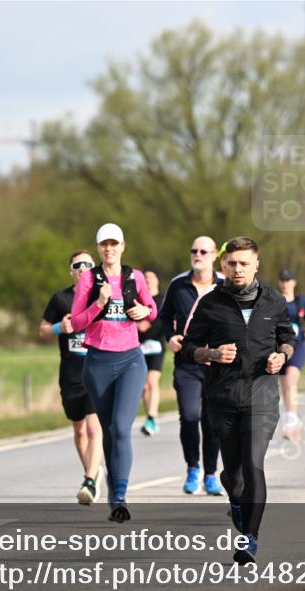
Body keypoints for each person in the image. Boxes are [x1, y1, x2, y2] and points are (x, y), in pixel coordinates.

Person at [181, 236, 295, 564]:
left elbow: (288, 338)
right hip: (224, 398)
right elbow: (188, 348)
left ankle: (249, 539)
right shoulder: (210, 304)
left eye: (244, 263)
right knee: (234, 477)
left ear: (256, 264)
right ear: (223, 265)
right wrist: (213, 354)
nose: (238, 269)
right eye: (232, 264)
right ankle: (233, 493)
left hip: (261, 396)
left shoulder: (273, 301)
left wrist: (282, 356)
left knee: (254, 464)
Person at [70, 223, 158, 522]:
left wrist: (145, 312)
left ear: (123, 247)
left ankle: (120, 495)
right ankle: (113, 493)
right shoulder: (88, 279)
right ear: (98, 248)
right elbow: (77, 322)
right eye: (104, 244)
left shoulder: (135, 277)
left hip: (130, 360)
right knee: (108, 429)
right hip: (97, 363)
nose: (109, 249)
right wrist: (99, 303)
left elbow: (152, 309)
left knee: (121, 428)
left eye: (114, 244)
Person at [159, 236, 225, 495]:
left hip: (216, 363)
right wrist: (169, 337)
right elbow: (164, 316)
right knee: (189, 416)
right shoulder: (178, 285)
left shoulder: (225, 284)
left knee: (211, 420)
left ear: (214, 255)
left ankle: (210, 475)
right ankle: (192, 468)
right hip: (187, 361)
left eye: (203, 251)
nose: (198, 255)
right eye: (194, 250)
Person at [40, 250, 104, 505]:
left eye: (88, 264)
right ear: (71, 271)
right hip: (70, 375)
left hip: (97, 372)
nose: (83, 268)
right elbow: (43, 330)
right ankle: (93, 471)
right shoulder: (60, 299)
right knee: (79, 431)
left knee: (94, 427)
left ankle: (89, 481)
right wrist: (59, 327)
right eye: (78, 265)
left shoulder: (102, 296)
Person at [277, 268, 305, 443]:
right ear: (279, 282)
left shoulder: (301, 301)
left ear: (294, 282)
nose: (286, 283)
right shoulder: (275, 301)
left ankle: (291, 420)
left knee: (291, 381)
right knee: (284, 384)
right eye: (283, 280)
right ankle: (290, 418)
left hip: (298, 346)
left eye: (288, 280)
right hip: (280, 347)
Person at [137, 269, 167, 433]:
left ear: (157, 281)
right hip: (139, 346)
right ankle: (149, 417)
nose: (148, 280)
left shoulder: (163, 299)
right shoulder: (138, 299)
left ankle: (152, 417)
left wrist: (149, 325)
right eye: (145, 278)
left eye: (150, 277)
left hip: (156, 345)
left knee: (152, 381)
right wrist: (137, 325)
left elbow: (165, 320)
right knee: (143, 385)